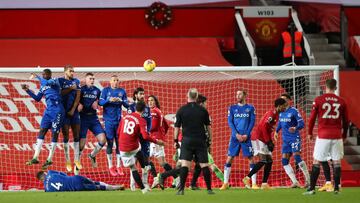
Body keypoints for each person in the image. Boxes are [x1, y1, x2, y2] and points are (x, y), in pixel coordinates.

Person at [303, 79, 349, 195]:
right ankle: (337, 189)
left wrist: (309, 133)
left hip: (323, 135)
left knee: (316, 161)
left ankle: (312, 189)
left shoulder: (319, 100)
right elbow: (346, 121)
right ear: (336, 87)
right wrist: (344, 135)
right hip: (337, 135)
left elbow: (313, 118)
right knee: (336, 161)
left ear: (325, 87)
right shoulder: (342, 101)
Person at [173, 88, 214, 195]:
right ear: (196, 97)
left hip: (187, 140)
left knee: (185, 165)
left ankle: (181, 189)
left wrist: (175, 140)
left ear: (188, 96)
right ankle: (209, 189)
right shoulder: (203, 110)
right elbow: (208, 127)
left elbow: (176, 127)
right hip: (200, 140)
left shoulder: (181, 110)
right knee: (204, 165)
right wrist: (210, 139)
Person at [118, 101, 164, 194]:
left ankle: (143, 189)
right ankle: (145, 166)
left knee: (133, 168)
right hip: (132, 146)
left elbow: (118, 131)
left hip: (122, 147)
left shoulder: (125, 117)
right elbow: (145, 137)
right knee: (138, 148)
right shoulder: (142, 120)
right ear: (143, 110)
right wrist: (157, 141)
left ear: (135, 108)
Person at [23, 69, 64, 169]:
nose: (44, 75)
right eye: (43, 74)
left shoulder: (54, 81)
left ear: (50, 74)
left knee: (54, 133)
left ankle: (49, 159)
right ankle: (35, 157)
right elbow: (37, 98)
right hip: (48, 111)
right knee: (42, 131)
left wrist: (37, 76)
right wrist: (27, 90)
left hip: (57, 110)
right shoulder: (43, 86)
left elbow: (47, 82)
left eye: (45, 74)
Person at [242, 98, 287, 189]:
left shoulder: (276, 114)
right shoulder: (272, 114)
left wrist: (270, 141)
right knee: (263, 160)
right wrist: (268, 141)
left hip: (264, 139)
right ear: (279, 106)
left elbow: (268, 129)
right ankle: (247, 178)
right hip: (258, 138)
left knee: (269, 161)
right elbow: (263, 127)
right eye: (284, 106)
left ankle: (264, 184)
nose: (285, 108)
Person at [220, 90, 257, 190]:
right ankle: (225, 183)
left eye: (240, 94)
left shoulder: (250, 108)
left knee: (251, 158)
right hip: (235, 137)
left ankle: (253, 184)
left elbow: (252, 122)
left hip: (246, 137)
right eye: (236, 94)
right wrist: (236, 134)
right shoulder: (232, 108)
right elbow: (230, 122)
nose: (237, 96)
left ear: (245, 95)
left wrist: (247, 134)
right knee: (230, 158)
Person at [274, 93, 310, 188]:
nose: (283, 101)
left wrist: (295, 127)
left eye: (284, 99)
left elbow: (302, 123)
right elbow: (280, 123)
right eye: (281, 99)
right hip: (285, 140)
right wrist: (276, 131)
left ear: (289, 100)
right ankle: (295, 182)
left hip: (294, 138)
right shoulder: (281, 111)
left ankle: (308, 180)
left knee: (297, 157)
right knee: (284, 160)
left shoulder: (294, 111)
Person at [190, 94, 224, 190]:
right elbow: (208, 129)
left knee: (198, 165)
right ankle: (225, 181)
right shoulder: (204, 114)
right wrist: (209, 141)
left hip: (196, 143)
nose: (206, 104)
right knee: (210, 163)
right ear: (201, 103)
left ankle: (192, 184)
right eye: (205, 103)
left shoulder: (192, 113)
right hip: (200, 143)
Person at [99, 75, 128, 176]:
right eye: (114, 80)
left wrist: (121, 101)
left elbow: (127, 105)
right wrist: (109, 100)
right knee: (110, 143)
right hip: (108, 121)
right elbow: (100, 102)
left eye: (117, 80)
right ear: (110, 82)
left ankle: (119, 166)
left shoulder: (122, 91)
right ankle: (111, 166)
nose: (116, 82)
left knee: (119, 143)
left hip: (119, 121)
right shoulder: (105, 90)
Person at [77, 73, 106, 168]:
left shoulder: (97, 91)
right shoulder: (81, 89)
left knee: (103, 140)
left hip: (93, 118)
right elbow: (75, 101)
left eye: (93, 78)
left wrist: (98, 104)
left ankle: (92, 155)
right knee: (81, 145)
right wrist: (78, 106)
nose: (92, 80)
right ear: (85, 79)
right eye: (90, 78)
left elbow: (100, 102)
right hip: (83, 118)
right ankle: (77, 162)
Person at [146, 95, 174, 188]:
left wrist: (144, 130)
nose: (150, 102)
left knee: (161, 162)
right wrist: (162, 135)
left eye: (152, 100)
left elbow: (152, 127)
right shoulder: (159, 111)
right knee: (148, 159)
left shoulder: (153, 112)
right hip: (156, 138)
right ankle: (156, 179)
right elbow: (166, 126)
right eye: (149, 100)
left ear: (155, 102)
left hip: (155, 140)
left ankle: (176, 177)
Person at [127, 87, 152, 190]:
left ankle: (145, 183)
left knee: (146, 161)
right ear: (135, 95)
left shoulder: (147, 108)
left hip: (144, 138)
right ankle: (132, 185)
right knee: (134, 161)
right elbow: (129, 121)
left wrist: (147, 133)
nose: (143, 96)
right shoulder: (131, 107)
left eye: (143, 94)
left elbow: (149, 123)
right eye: (141, 94)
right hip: (135, 138)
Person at [58, 64, 82, 173]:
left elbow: (78, 96)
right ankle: (67, 160)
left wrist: (73, 109)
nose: (72, 73)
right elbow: (59, 94)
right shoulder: (60, 81)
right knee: (66, 135)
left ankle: (76, 159)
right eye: (70, 71)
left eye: (73, 71)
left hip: (74, 112)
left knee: (77, 135)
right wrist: (69, 88)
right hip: (63, 113)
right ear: (65, 71)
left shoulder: (76, 81)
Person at [36, 170, 124, 192]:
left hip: (76, 188)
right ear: (44, 172)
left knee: (97, 188)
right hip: (75, 178)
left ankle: (115, 188)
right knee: (93, 182)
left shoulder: (47, 189)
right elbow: (63, 174)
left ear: (41, 180)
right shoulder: (50, 172)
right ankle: (114, 186)